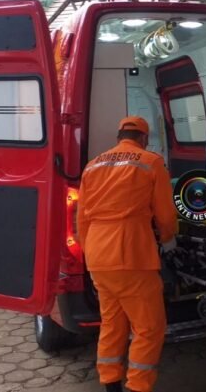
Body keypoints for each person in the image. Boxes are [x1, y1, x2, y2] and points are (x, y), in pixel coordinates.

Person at [76, 116, 178, 392]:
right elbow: (165, 214)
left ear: (119, 136)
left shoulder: (92, 166)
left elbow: (82, 219)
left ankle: (111, 384)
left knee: (112, 323)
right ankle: (137, 386)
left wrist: (90, 253)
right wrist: (168, 239)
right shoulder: (151, 161)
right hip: (132, 254)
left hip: (98, 256)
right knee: (148, 328)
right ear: (143, 138)